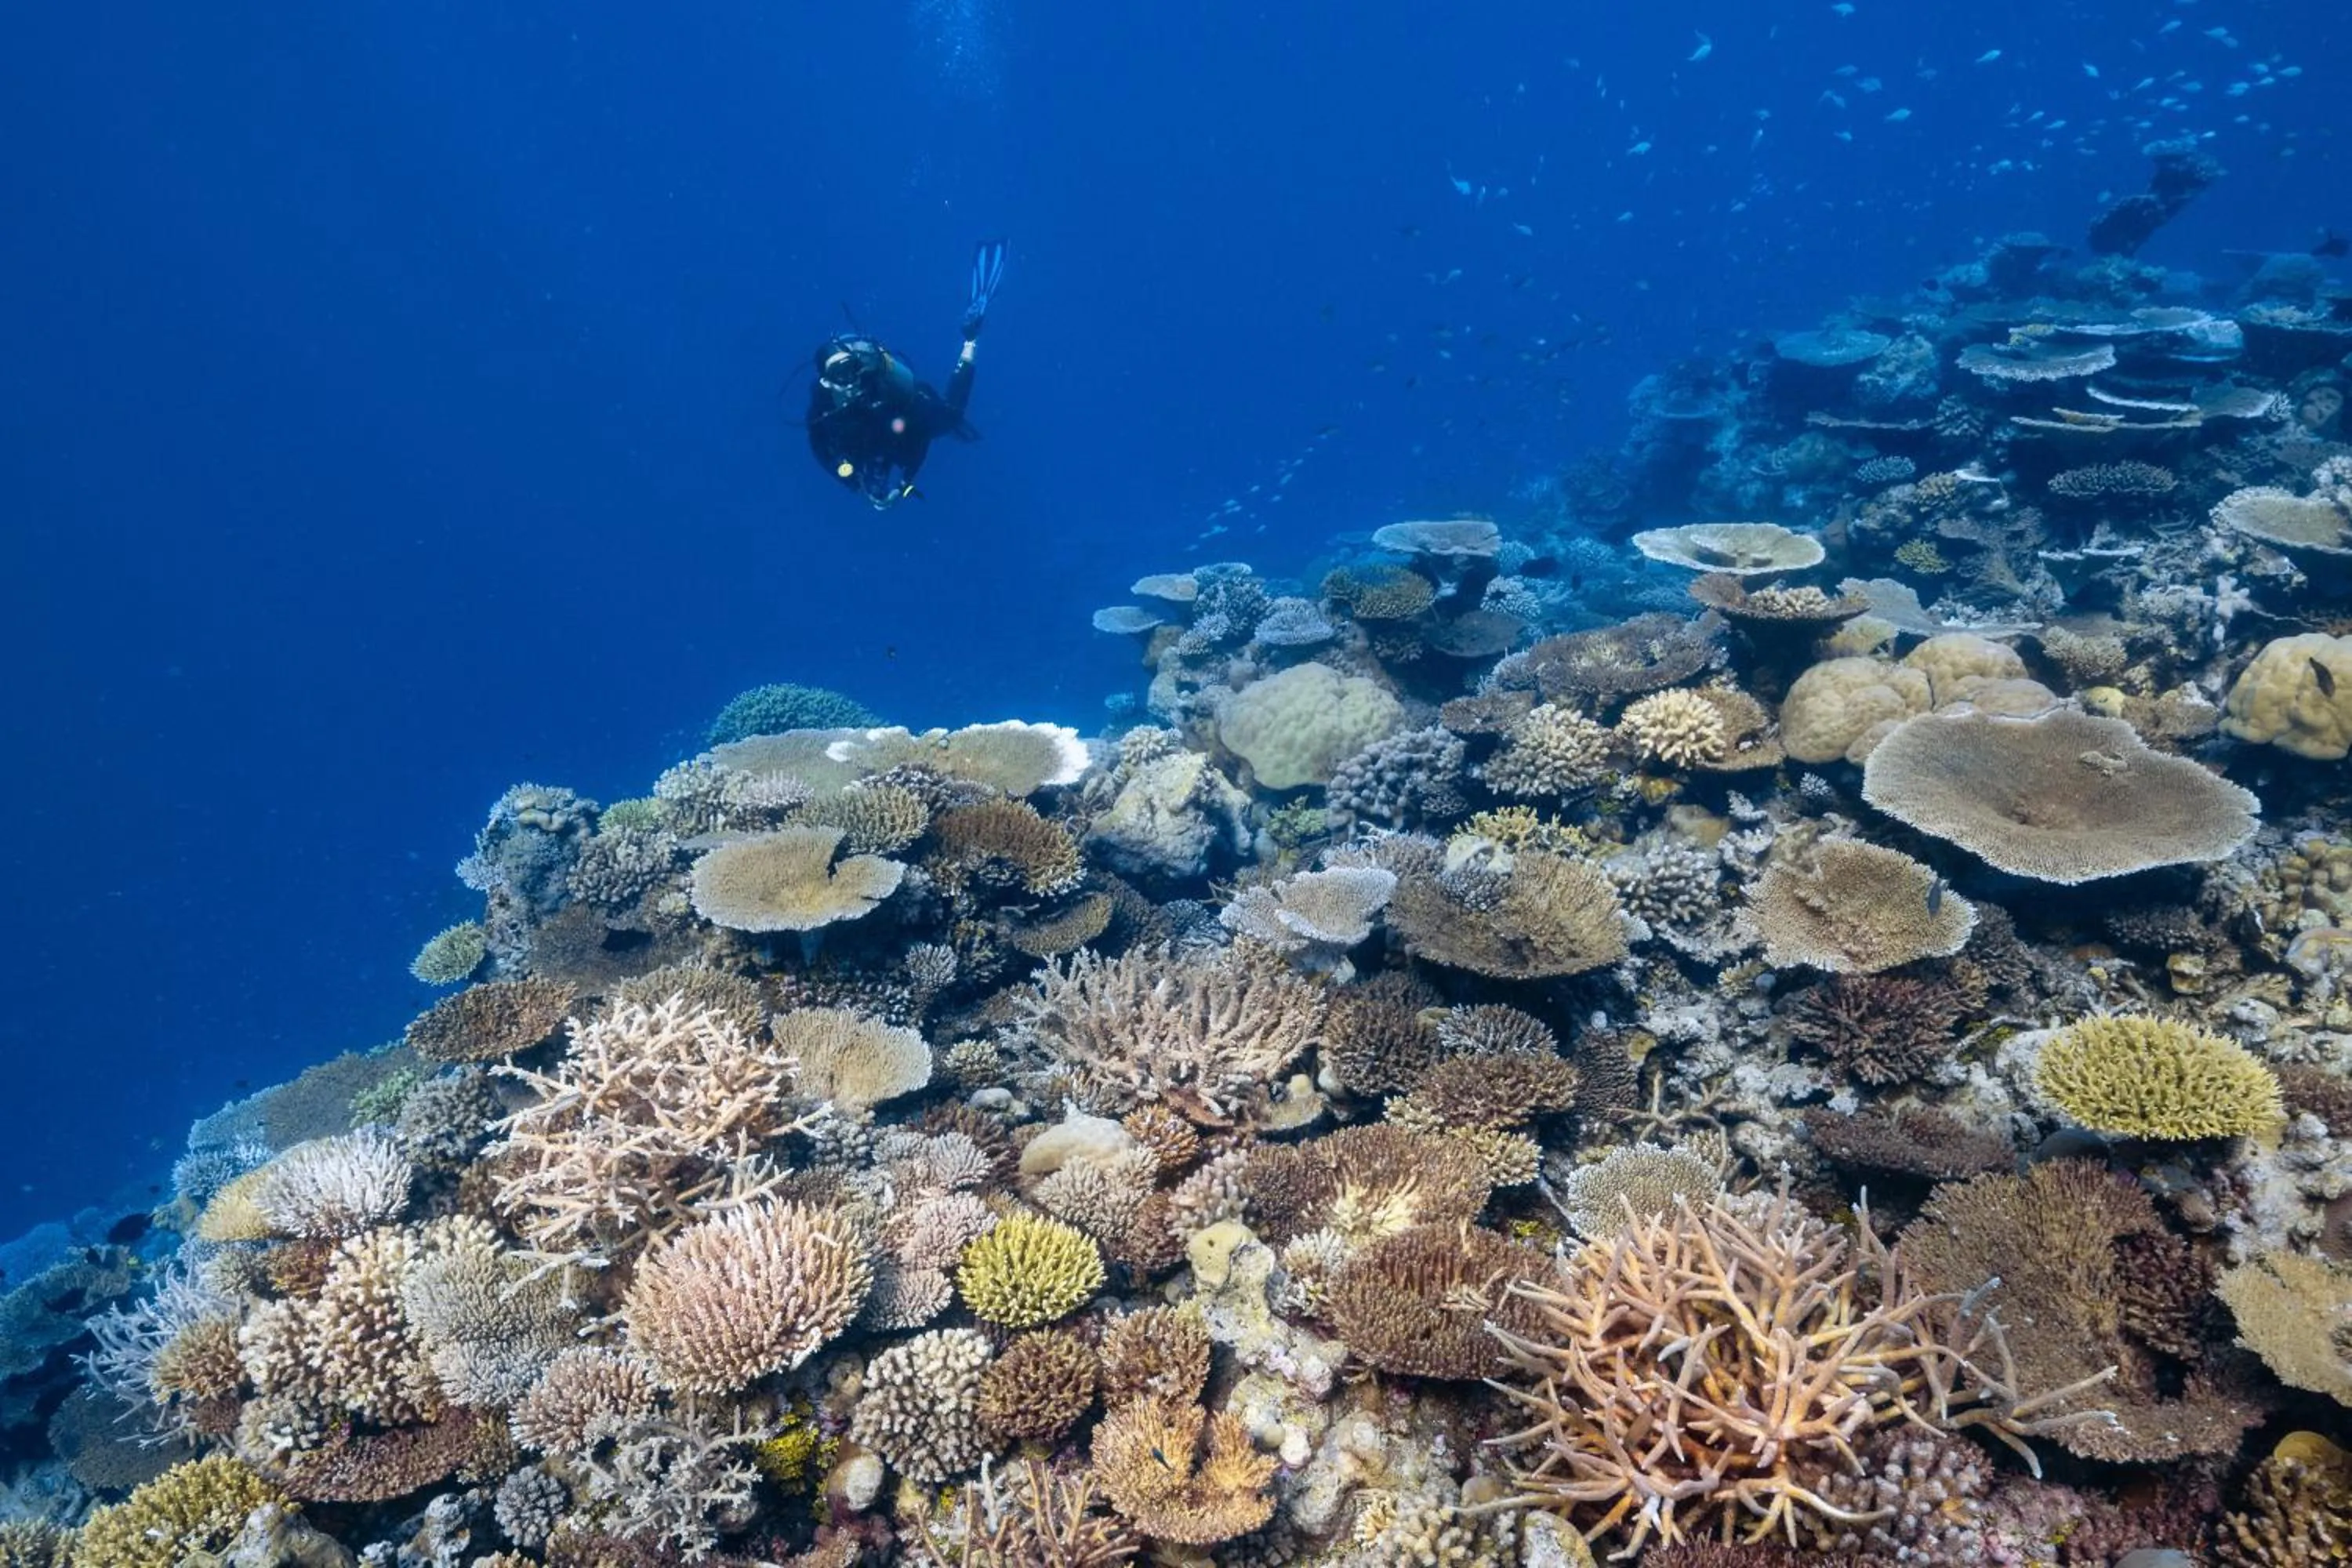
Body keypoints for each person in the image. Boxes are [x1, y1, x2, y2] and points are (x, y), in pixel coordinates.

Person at [807, 241, 1005, 507]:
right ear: (826, 381)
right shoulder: (823, 407)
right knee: (873, 445)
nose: (851, 379)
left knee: (951, 416)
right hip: (880, 439)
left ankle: (970, 339)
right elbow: (818, 444)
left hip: (905, 410)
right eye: (840, 373)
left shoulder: (875, 385)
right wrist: (851, 481)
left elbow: (920, 434)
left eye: (851, 368)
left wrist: (905, 482)